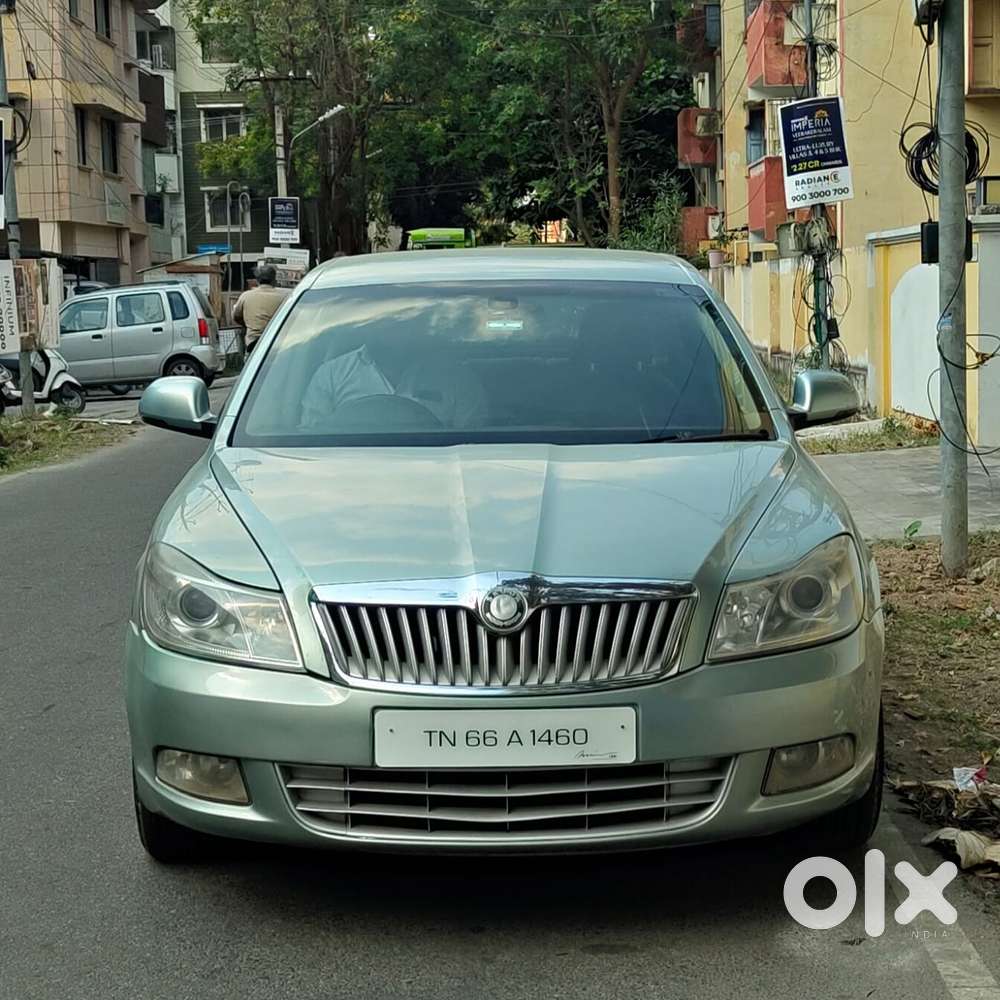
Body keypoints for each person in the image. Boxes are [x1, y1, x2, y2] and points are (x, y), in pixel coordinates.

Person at [233, 264, 290, 352]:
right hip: (278, 342)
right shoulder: (285, 297)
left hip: (253, 343)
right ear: (274, 280)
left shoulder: (246, 296)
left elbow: (236, 317)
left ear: (257, 280)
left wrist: (249, 323)